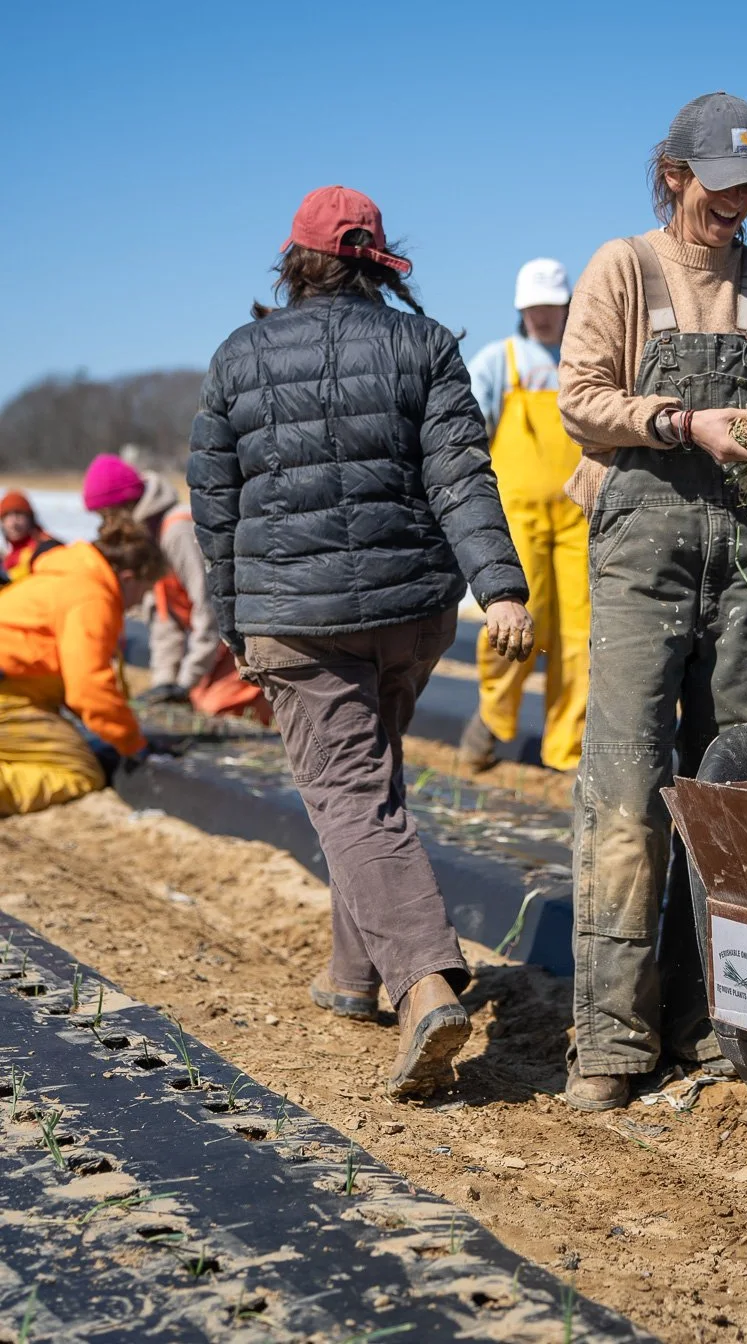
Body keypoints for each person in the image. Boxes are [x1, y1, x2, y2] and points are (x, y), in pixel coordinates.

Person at [188, 184, 533, 1100]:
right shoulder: (425, 345)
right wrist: (498, 585)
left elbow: (214, 509)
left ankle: (423, 988)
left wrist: (232, 621)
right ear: (375, 261)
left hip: (295, 620)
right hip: (409, 612)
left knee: (349, 798)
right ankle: (352, 976)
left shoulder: (237, 356)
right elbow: (461, 476)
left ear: (294, 262)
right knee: (369, 789)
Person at [558, 91, 747, 1111]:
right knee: (627, 794)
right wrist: (680, 421)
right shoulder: (623, 268)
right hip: (644, 550)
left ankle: (719, 1020)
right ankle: (613, 1037)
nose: (736, 206)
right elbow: (580, 398)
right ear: (673, 174)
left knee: (735, 792)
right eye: (720, 187)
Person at [458, 259, 589, 775]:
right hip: (516, 519)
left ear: (567, 307)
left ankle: (568, 751)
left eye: (551, 306)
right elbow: (466, 438)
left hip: (580, 518)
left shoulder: (585, 362)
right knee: (512, 623)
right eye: (534, 307)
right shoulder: (498, 361)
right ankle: (490, 721)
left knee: (581, 636)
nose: (543, 316)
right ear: (521, 310)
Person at [82, 454, 268, 723]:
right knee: (191, 704)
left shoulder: (177, 531)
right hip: (214, 645)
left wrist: (186, 683)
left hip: (241, 638)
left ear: (123, 508)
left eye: (106, 516)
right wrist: (165, 683)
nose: (105, 526)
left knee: (215, 708)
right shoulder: (148, 540)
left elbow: (210, 610)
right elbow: (164, 619)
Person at [0, 516, 164, 814]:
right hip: (7, 694)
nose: (139, 603)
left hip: (15, 686)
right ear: (129, 578)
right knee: (79, 771)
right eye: (144, 590)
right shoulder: (92, 597)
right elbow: (88, 688)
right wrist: (133, 744)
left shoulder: (68, 574)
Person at [0, 490, 63, 585]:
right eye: (8, 517)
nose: (14, 523)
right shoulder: (13, 552)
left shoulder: (44, 546)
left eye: (19, 515)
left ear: (30, 519)